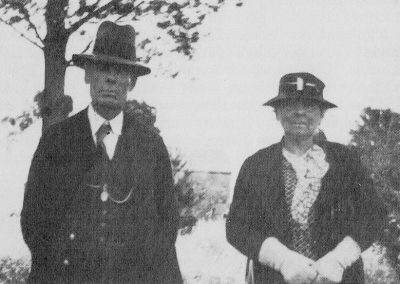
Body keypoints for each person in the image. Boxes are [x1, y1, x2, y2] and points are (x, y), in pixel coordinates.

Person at [21, 21, 182, 284]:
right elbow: (34, 222)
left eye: (121, 71)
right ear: (87, 75)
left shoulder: (150, 146)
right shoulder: (56, 141)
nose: (111, 79)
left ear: (131, 83)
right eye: (103, 68)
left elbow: (167, 226)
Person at [226, 72, 387, 284]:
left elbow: (373, 216)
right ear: (277, 113)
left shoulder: (346, 161)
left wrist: (339, 260)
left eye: (310, 106)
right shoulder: (256, 165)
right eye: (290, 105)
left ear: (322, 114)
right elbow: (237, 227)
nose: (300, 112)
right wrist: (282, 260)